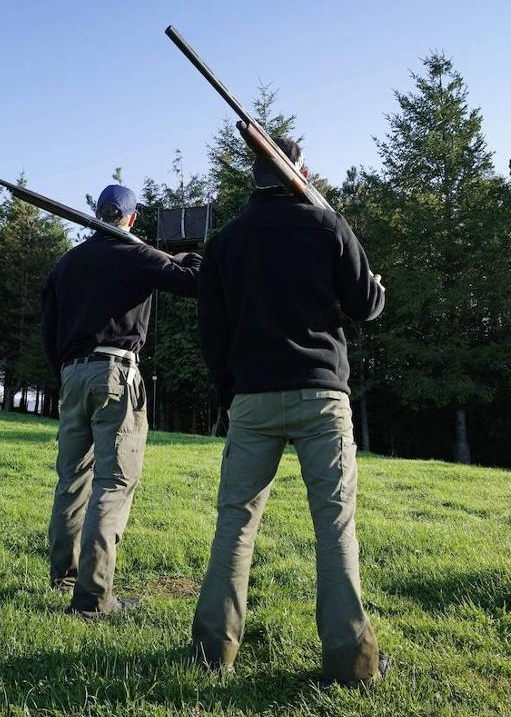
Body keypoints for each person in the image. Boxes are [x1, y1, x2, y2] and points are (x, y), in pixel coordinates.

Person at [191, 138, 388, 684]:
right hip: (322, 397)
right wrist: (375, 286)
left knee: (235, 524)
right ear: (300, 171)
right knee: (335, 527)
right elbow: (365, 305)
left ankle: (213, 652)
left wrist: (233, 389)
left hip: (252, 398)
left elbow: (213, 332)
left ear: (254, 175)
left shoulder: (226, 242)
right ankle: (352, 664)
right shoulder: (327, 226)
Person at [42, 183, 202, 617]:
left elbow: (48, 325)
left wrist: (66, 368)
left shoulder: (67, 262)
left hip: (72, 374)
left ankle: (64, 578)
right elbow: (196, 282)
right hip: (115, 373)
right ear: (131, 219)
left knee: (71, 480)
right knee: (113, 483)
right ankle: (93, 598)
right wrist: (185, 257)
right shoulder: (137, 254)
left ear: (97, 214)